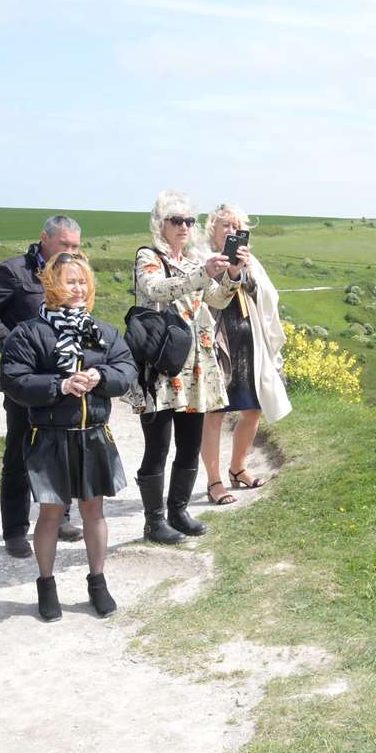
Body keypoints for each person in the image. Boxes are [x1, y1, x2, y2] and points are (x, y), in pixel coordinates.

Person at [0, 253, 135, 620]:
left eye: (82, 282)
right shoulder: (30, 333)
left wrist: (101, 377)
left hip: (94, 434)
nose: (77, 288)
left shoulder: (101, 331)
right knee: (50, 513)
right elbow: (14, 380)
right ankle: (46, 585)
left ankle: (98, 582)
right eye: (69, 281)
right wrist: (59, 384)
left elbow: (127, 369)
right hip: (49, 437)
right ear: (50, 285)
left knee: (95, 511)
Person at [128, 190, 237, 543]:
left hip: (195, 365)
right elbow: (155, 289)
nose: (185, 227)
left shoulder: (193, 261)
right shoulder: (148, 256)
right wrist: (202, 274)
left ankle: (178, 510)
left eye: (189, 221)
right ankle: (153, 520)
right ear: (161, 225)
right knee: (157, 447)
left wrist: (232, 274)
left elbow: (217, 299)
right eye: (177, 221)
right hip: (161, 364)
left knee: (189, 444)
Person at [0, 214, 85, 556]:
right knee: (21, 452)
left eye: (75, 246)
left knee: (62, 449)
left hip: (64, 376)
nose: (69, 251)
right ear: (44, 239)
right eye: (63, 244)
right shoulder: (14, 272)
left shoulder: (74, 272)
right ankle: (15, 530)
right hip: (25, 379)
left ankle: (61, 517)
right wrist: (11, 343)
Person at [199, 204, 291, 506]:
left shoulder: (252, 261)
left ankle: (238, 467)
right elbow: (202, 296)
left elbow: (268, 296)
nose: (231, 231)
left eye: (236, 226)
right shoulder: (204, 260)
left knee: (253, 409)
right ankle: (214, 481)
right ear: (213, 229)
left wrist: (248, 271)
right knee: (215, 413)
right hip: (218, 342)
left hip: (249, 343)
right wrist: (225, 271)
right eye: (225, 225)